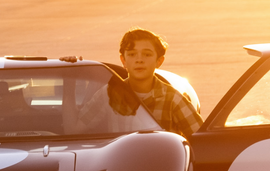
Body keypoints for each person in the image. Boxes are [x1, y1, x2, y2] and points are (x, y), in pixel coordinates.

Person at [63, 28, 203, 139]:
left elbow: (201, 140)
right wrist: (69, 75)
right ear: (123, 61)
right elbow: (73, 129)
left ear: (159, 61)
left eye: (147, 54)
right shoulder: (109, 94)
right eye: (132, 54)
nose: (139, 60)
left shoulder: (173, 99)